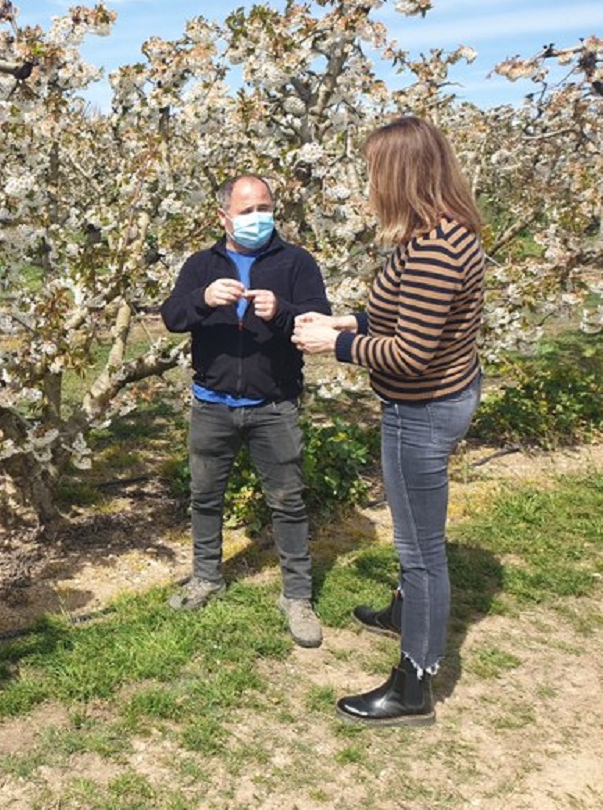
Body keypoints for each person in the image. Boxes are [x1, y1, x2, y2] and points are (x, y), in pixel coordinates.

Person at [293, 116, 485, 726]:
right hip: (440, 396)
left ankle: (413, 684)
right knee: (418, 544)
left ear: (402, 174)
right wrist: (350, 320)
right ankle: (407, 614)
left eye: (376, 170)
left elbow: (410, 352)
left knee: (421, 550)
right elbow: (404, 316)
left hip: (420, 411)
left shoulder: (433, 250)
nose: (370, 182)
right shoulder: (445, 233)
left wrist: (336, 347)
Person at [160, 174, 331, 648]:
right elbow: (172, 317)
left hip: (274, 405)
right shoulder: (201, 265)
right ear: (224, 216)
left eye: (265, 208)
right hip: (212, 405)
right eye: (248, 210)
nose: (259, 218)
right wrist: (202, 299)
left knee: (288, 501)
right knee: (205, 496)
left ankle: (297, 596)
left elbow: (318, 323)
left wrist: (281, 311)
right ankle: (206, 577)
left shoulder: (296, 263)